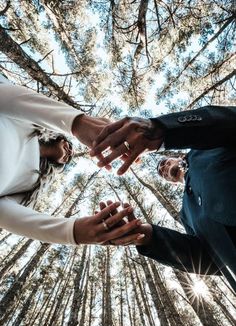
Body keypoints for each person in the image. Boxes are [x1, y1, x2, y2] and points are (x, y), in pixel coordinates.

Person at [90, 106, 236, 292]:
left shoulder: (203, 149)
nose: (163, 168)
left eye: (166, 162)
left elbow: (227, 122)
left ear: (177, 158)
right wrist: (147, 237)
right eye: (161, 171)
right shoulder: (187, 214)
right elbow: (208, 259)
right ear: (171, 182)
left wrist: (162, 129)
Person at [0, 74, 144, 246]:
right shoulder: (30, 122)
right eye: (68, 144)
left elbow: (3, 213)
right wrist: (77, 123)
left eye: (69, 157)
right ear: (57, 135)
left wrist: (72, 231)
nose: (69, 151)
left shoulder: (32, 183)